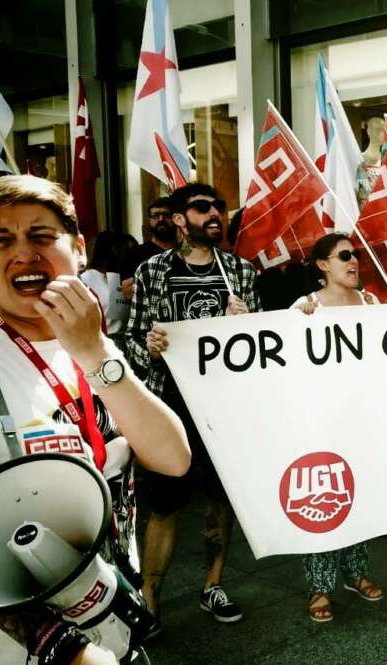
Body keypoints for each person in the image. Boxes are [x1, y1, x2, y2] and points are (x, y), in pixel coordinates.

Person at [0, 174, 190, 665]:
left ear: (77, 250)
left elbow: (173, 458)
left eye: (40, 236)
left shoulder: (89, 343)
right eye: (1, 240)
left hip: (113, 623)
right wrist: (70, 652)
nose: (24, 254)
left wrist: (96, 353)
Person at [125, 183, 259, 634]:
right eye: (203, 208)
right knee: (165, 503)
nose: (215, 214)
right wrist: (151, 347)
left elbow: (260, 345)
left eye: (218, 207)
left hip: (222, 404)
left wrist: (246, 326)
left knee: (221, 500)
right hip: (171, 402)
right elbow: (131, 338)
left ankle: (213, 584)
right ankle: (150, 600)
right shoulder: (153, 271)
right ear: (180, 219)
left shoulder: (240, 271)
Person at [290, 233, 386, 622]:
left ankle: (356, 571)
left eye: (356, 255)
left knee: (360, 496)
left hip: (363, 418)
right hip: (321, 420)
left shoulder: (371, 303)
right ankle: (319, 585)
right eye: (344, 255)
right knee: (324, 498)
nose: (353, 261)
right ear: (322, 265)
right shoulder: (306, 307)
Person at [80, 231, 131, 353]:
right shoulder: (86, 279)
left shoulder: (124, 279)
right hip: (103, 341)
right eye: (127, 251)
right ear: (113, 251)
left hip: (126, 341)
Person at [120, 197, 175, 301]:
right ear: (149, 220)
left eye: (166, 215)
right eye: (155, 215)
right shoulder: (134, 253)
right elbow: (127, 293)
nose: (161, 219)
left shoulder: (183, 253)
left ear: (175, 218)